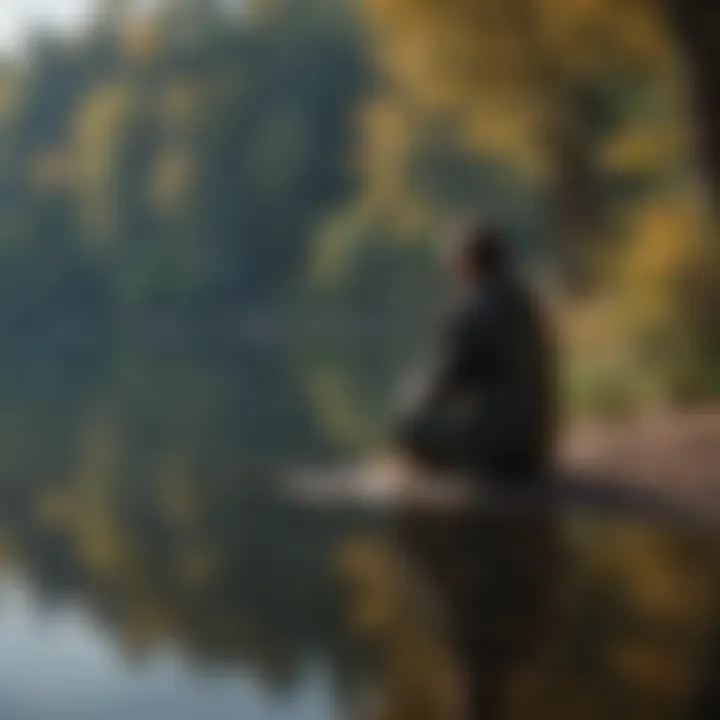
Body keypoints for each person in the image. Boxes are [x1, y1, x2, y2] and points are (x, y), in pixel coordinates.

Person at [395, 220, 557, 483]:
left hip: (497, 454)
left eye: (453, 258)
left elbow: (450, 381)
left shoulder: (472, 309)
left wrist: (416, 395)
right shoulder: (524, 301)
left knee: (409, 419)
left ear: (467, 261)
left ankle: (421, 475)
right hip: (533, 449)